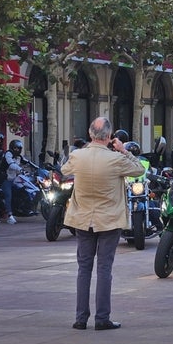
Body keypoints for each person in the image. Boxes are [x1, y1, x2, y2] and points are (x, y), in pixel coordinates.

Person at [61, 117, 146, 331]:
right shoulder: (115, 159)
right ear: (109, 137)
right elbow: (139, 170)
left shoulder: (77, 156)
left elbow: (64, 170)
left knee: (84, 268)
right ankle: (102, 318)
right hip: (108, 220)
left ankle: (81, 318)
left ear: (90, 134)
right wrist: (124, 150)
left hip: (82, 218)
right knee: (104, 268)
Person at [2, 140, 26, 224]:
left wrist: (37, 168)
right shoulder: (8, 154)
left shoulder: (18, 156)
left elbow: (26, 161)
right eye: (15, 148)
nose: (17, 150)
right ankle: (9, 215)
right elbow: (11, 164)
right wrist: (20, 169)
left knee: (22, 191)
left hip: (15, 179)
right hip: (6, 179)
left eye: (18, 148)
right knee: (9, 196)